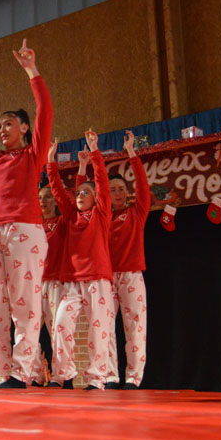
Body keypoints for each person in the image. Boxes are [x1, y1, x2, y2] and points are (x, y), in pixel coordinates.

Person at [0, 39, 52, 389]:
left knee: (24, 305)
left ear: (24, 128)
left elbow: (45, 111)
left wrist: (31, 70)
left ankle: (23, 371)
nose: (2, 129)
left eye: (9, 123)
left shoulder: (32, 155)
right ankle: (4, 370)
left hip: (25, 231)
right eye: (0, 125)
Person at [45, 131, 115, 390]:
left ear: (95, 199)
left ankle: (96, 378)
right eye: (79, 192)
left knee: (99, 330)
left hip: (97, 279)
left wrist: (95, 153)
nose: (80, 195)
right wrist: (50, 163)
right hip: (72, 281)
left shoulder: (101, 214)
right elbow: (57, 190)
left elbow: (102, 184)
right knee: (61, 325)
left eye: (86, 192)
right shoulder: (71, 216)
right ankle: (62, 374)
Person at [105, 131, 150, 389]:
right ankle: (110, 376)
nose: (118, 193)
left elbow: (143, 187)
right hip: (106, 278)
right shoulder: (101, 217)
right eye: (112, 190)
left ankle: (133, 378)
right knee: (105, 328)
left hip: (132, 275)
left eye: (121, 189)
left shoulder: (137, 212)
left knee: (135, 328)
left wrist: (132, 153)